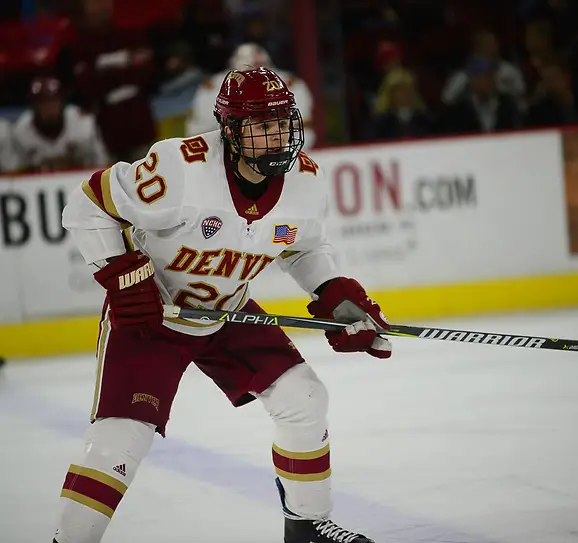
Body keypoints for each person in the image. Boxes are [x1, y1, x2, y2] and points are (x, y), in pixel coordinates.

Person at [54, 67, 391, 543]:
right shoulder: (179, 168)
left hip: (229, 310)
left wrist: (334, 293)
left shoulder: (306, 181)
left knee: (304, 397)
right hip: (154, 313)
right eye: (260, 126)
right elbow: (87, 205)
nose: (275, 137)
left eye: (281, 123)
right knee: (121, 440)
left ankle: (306, 525)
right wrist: (127, 281)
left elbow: (303, 247)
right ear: (230, 131)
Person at [186, 43, 316, 148]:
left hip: (286, 147)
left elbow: (305, 125)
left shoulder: (288, 82)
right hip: (222, 150)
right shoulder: (214, 85)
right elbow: (200, 129)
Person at [12, 76, 110, 172]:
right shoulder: (21, 130)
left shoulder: (82, 123)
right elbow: (15, 173)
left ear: (62, 103)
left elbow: (101, 164)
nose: (50, 109)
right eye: (43, 104)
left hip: (83, 182)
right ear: (34, 106)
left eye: (54, 102)